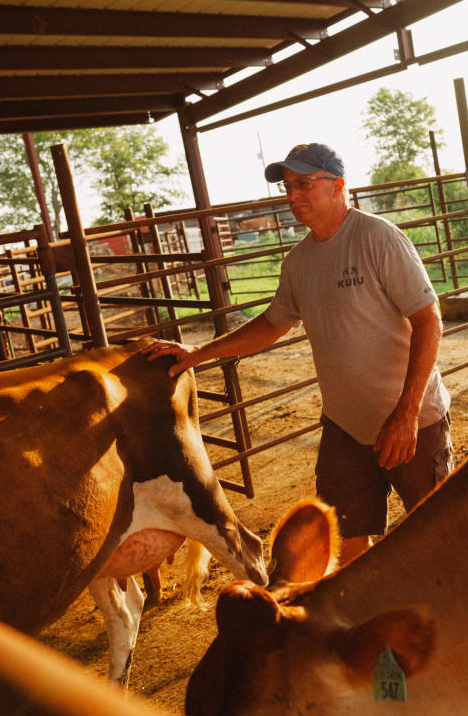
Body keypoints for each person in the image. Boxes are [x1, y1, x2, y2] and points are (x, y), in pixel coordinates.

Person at [143, 143, 451, 565]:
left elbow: (428, 321)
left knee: (438, 531)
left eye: (304, 183)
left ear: (338, 185)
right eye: (288, 186)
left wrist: (408, 413)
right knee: (344, 542)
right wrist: (199, 353)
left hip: (412, 418)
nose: (292, 196)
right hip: (345, 426)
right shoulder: (300, 261)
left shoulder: (377, 237)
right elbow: (272, 324)